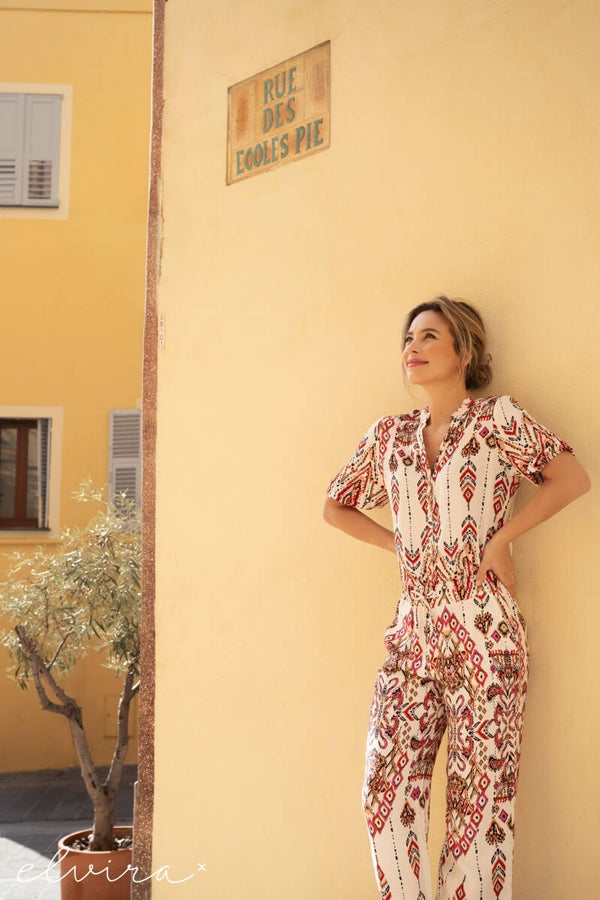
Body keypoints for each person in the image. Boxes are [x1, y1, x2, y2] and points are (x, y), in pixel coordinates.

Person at [322, 296, 590, 900]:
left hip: (485, 636)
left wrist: (501, 540)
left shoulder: (498, 419)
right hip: (411, 636)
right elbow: (335, 506)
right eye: (408, 338)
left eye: (429, 337)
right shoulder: (389, 437)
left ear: (464, 352)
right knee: (384, 791)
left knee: (480, 807)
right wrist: (401, 547)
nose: (412, 348)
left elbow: (571, 478)